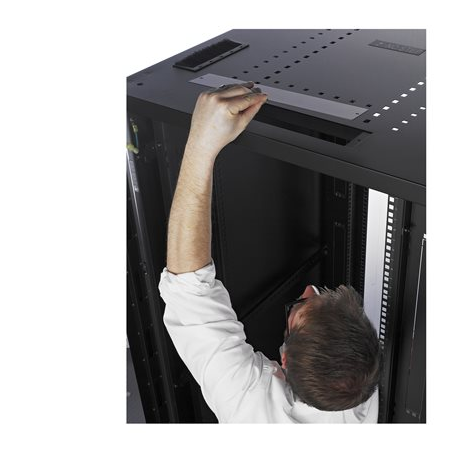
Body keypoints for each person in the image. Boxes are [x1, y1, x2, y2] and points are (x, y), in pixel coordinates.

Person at [158, 81, 382, 423]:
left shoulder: (249, 406)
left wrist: (202, 142)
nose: (308, 289)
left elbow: (189, 289)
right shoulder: (356, 395)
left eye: (299, 306)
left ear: (284, 363)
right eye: (323, 291)